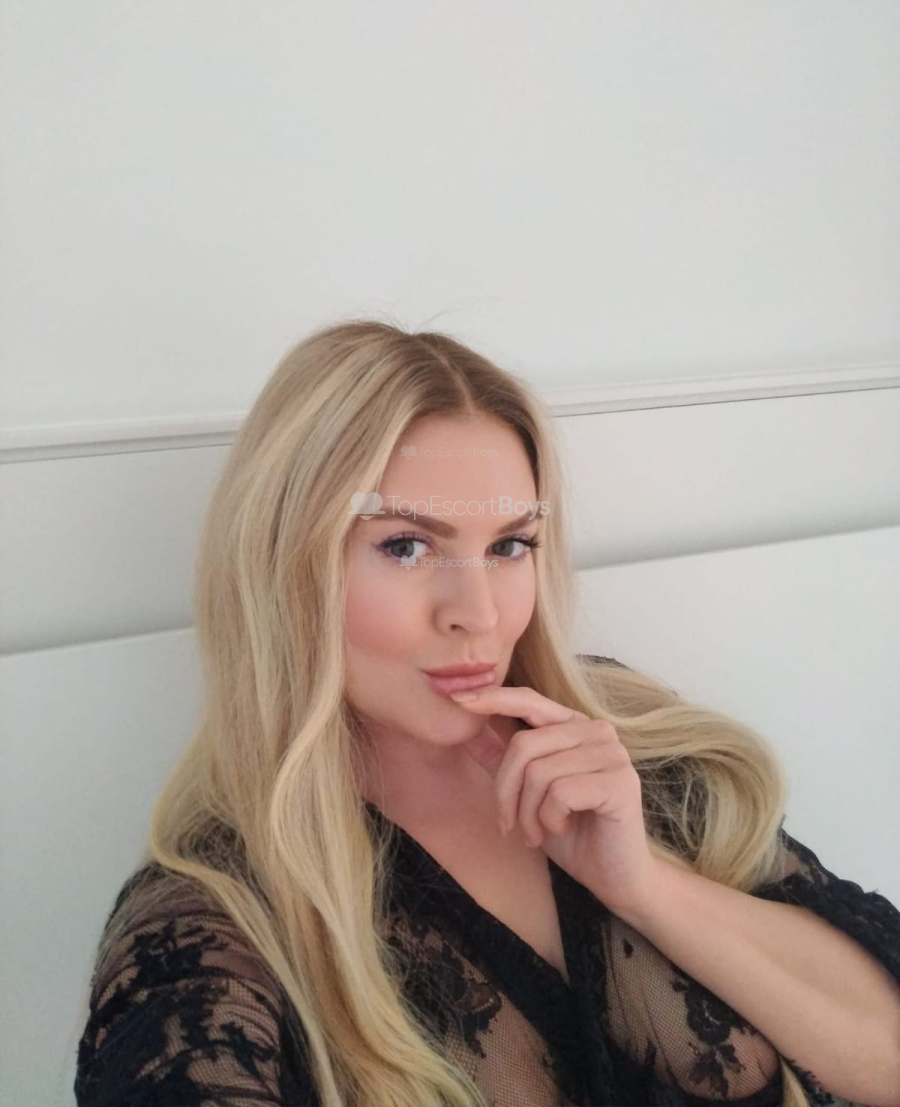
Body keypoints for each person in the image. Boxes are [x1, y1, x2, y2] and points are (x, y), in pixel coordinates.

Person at [74, 319, 900, 1107]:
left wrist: (646, 887)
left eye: (509, 545)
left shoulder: (623, 742)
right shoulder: (210, 924)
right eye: (406, 546)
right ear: (285, 565)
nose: (478, 614)